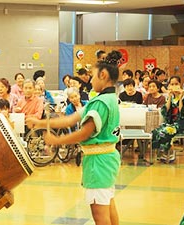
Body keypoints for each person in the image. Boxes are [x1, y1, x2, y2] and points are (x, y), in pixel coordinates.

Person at [27, 50, 122, 225]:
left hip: (98, 163)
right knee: (108, 205)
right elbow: (71, 119)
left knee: (100, 214)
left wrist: (57, 141)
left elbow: (85, 132)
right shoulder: (108, 98)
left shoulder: (100, 102)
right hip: (107, 160)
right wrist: (41, 123)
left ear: (103, 75)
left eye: (92, 76)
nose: (90, 80)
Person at [152, 76, 184, 163]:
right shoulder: (170, 96)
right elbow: (165, 110)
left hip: (180, 123)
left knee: (166, 131)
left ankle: (170, 152)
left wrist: (180, 98)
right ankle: (163, 153)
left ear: (180, 84)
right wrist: (169, 97)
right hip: (170, 122)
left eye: (176, 84)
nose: (174, 86)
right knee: (156, 131)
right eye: (172, 84)